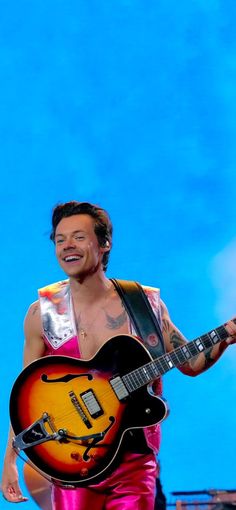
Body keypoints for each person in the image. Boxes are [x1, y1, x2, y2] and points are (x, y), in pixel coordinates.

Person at [1, 200, 236, 510]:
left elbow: (190, 363)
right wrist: (10, 459)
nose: (67, 246)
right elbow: (24, 397)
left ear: (105, 243)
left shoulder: (144, 305)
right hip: (73, 464)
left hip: (134, 462)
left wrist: (226, 336)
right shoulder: (42, 313)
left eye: (79, 236)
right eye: (60, 239)